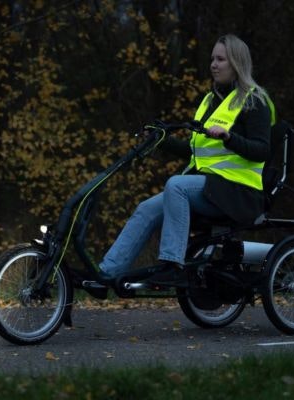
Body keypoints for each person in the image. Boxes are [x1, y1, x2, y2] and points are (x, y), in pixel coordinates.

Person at [98, 34, 275, 285]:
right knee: (146, 209)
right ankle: (107, 274)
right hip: (212, 189)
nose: (214, 64)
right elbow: (197, 152)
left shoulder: (254, 101)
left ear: (236, 63)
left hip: (239, 193)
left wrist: (229, 137)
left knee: (175, 185)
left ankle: (172, 264)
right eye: (212, 59)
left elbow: (262, 151)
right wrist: (161, 141)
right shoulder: (209, 101)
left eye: (221, 59)